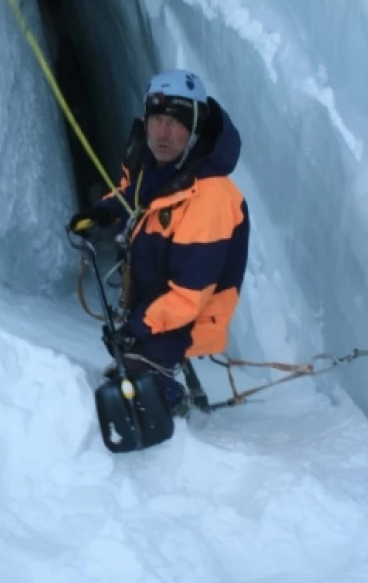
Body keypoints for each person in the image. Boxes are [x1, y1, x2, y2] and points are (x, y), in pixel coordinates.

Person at [68, 69, 250, 413]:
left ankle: (170, 405)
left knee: (135, 386)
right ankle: (147, 367)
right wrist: (106, 213)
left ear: (196, 126)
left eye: (175, 122)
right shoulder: (153, 164)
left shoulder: (210, 197)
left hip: (192, 315)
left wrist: (138, 328)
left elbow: (189, 297)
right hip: (158, 297)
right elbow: (134, 197)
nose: (163, 133)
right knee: (128, 353)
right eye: (157, 120)